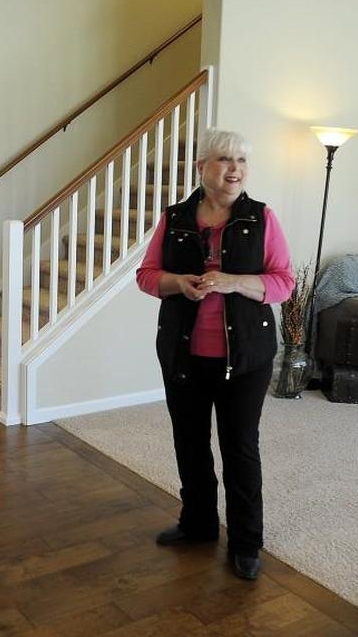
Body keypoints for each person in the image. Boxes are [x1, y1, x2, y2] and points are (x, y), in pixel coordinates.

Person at [136, 129, 295, 581]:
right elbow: (147, 275)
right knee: (189, 442)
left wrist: (233, 282)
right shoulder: (175, 218)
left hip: (245, 358)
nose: (235, 169)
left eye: (241, 160)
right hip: (183, 353)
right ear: (201, 166)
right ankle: (199, 524)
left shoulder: (262, 218)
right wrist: (178, 283)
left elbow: (284, 282)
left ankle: (246, 542)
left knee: (239, 447)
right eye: (225, 159)